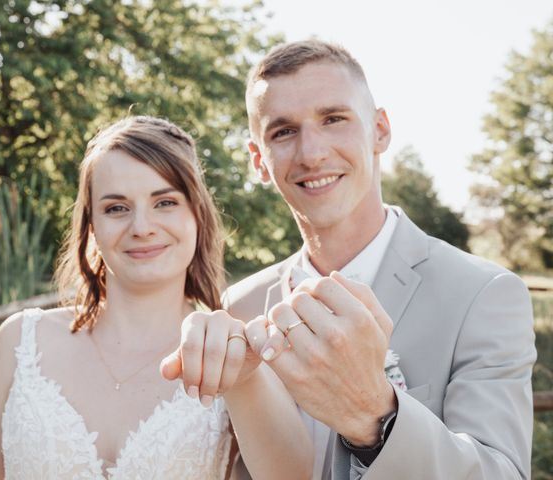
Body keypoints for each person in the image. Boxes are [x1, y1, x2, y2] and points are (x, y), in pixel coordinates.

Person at [221, 40, 536, 479]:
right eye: (283, 131)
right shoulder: (241, 305)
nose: (312, 153)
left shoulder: (483, 295)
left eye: (333, 119)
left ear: (380, 129)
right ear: (259, 160)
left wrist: (375, 416)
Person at [0, 116, 312, 479]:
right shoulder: (20, 340)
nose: (142, 227)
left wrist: (244, 378)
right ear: (91, 225)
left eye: (165, 202)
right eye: (116, 208)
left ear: (197, 215)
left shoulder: (229, 353)